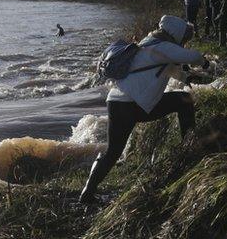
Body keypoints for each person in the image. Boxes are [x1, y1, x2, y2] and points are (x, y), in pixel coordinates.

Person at [80, 15, 211, 203]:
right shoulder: (163, 46)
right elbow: (193, 57)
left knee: (113, 152)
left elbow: (167, 70)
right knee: (185, 100)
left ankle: (87, 192)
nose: (184, 41)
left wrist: (187, 78)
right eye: (184, 37)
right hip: (133, 105)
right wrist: (205, 63)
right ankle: (189, 149)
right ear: (177, 34)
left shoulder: (148, 44)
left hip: (117, 101)